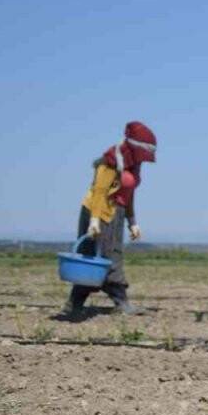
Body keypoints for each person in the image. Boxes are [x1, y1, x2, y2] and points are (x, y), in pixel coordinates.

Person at [62, 122, 157, 317]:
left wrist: (132, 221)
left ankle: (88, 303)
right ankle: (108, 302)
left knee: (111, 254)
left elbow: (128, 194)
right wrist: (94, 220)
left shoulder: (133, 165)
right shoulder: (111, 161)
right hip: (98, 210)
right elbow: (99, 191)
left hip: (116, 213)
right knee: (94, 257)